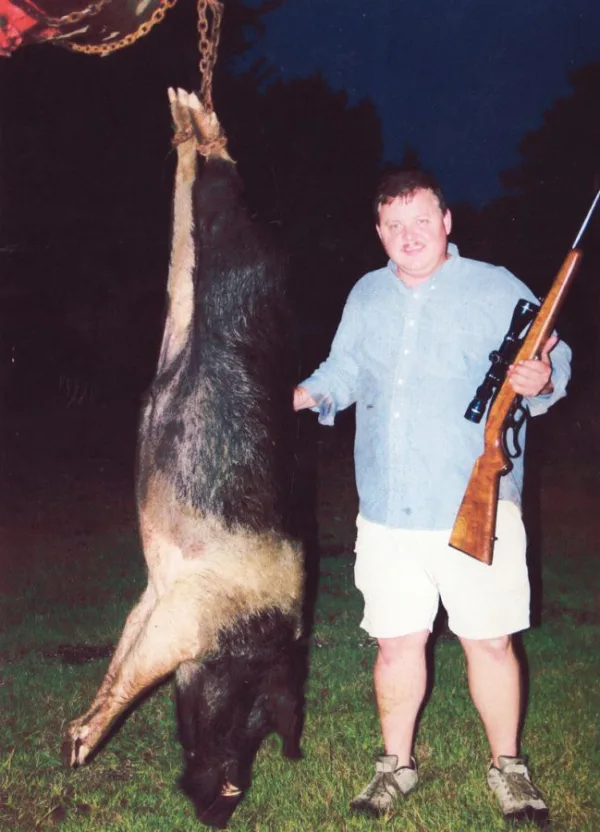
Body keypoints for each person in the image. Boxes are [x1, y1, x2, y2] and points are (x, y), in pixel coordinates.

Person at [294, 170, 571, 827]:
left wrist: (539, 378)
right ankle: (396, 764)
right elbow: (345, 371)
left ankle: (508, 766)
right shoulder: (367, 294)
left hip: (477, 502)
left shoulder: (494, 285)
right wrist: (297, 395)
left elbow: (554, 357)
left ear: (447, 221)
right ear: (379, 232)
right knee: (396, 645)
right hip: (388, 509)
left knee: (490, 642)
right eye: (393, 225)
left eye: (421, 221)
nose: (408, 236)